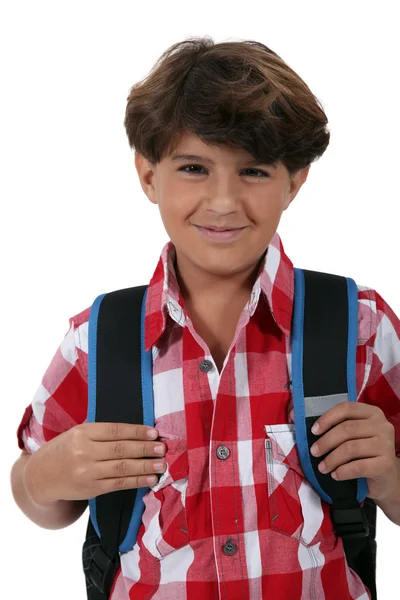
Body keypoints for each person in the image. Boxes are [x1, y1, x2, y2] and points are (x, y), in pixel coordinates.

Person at [10, 36, 400, 600]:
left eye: (255, 172)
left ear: (295, 181)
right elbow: (36, 497)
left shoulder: (358, 328)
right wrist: (45, 475)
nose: (222, 201)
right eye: (194, 167)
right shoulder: (98, 341)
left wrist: (386, 473)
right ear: (148, 176)